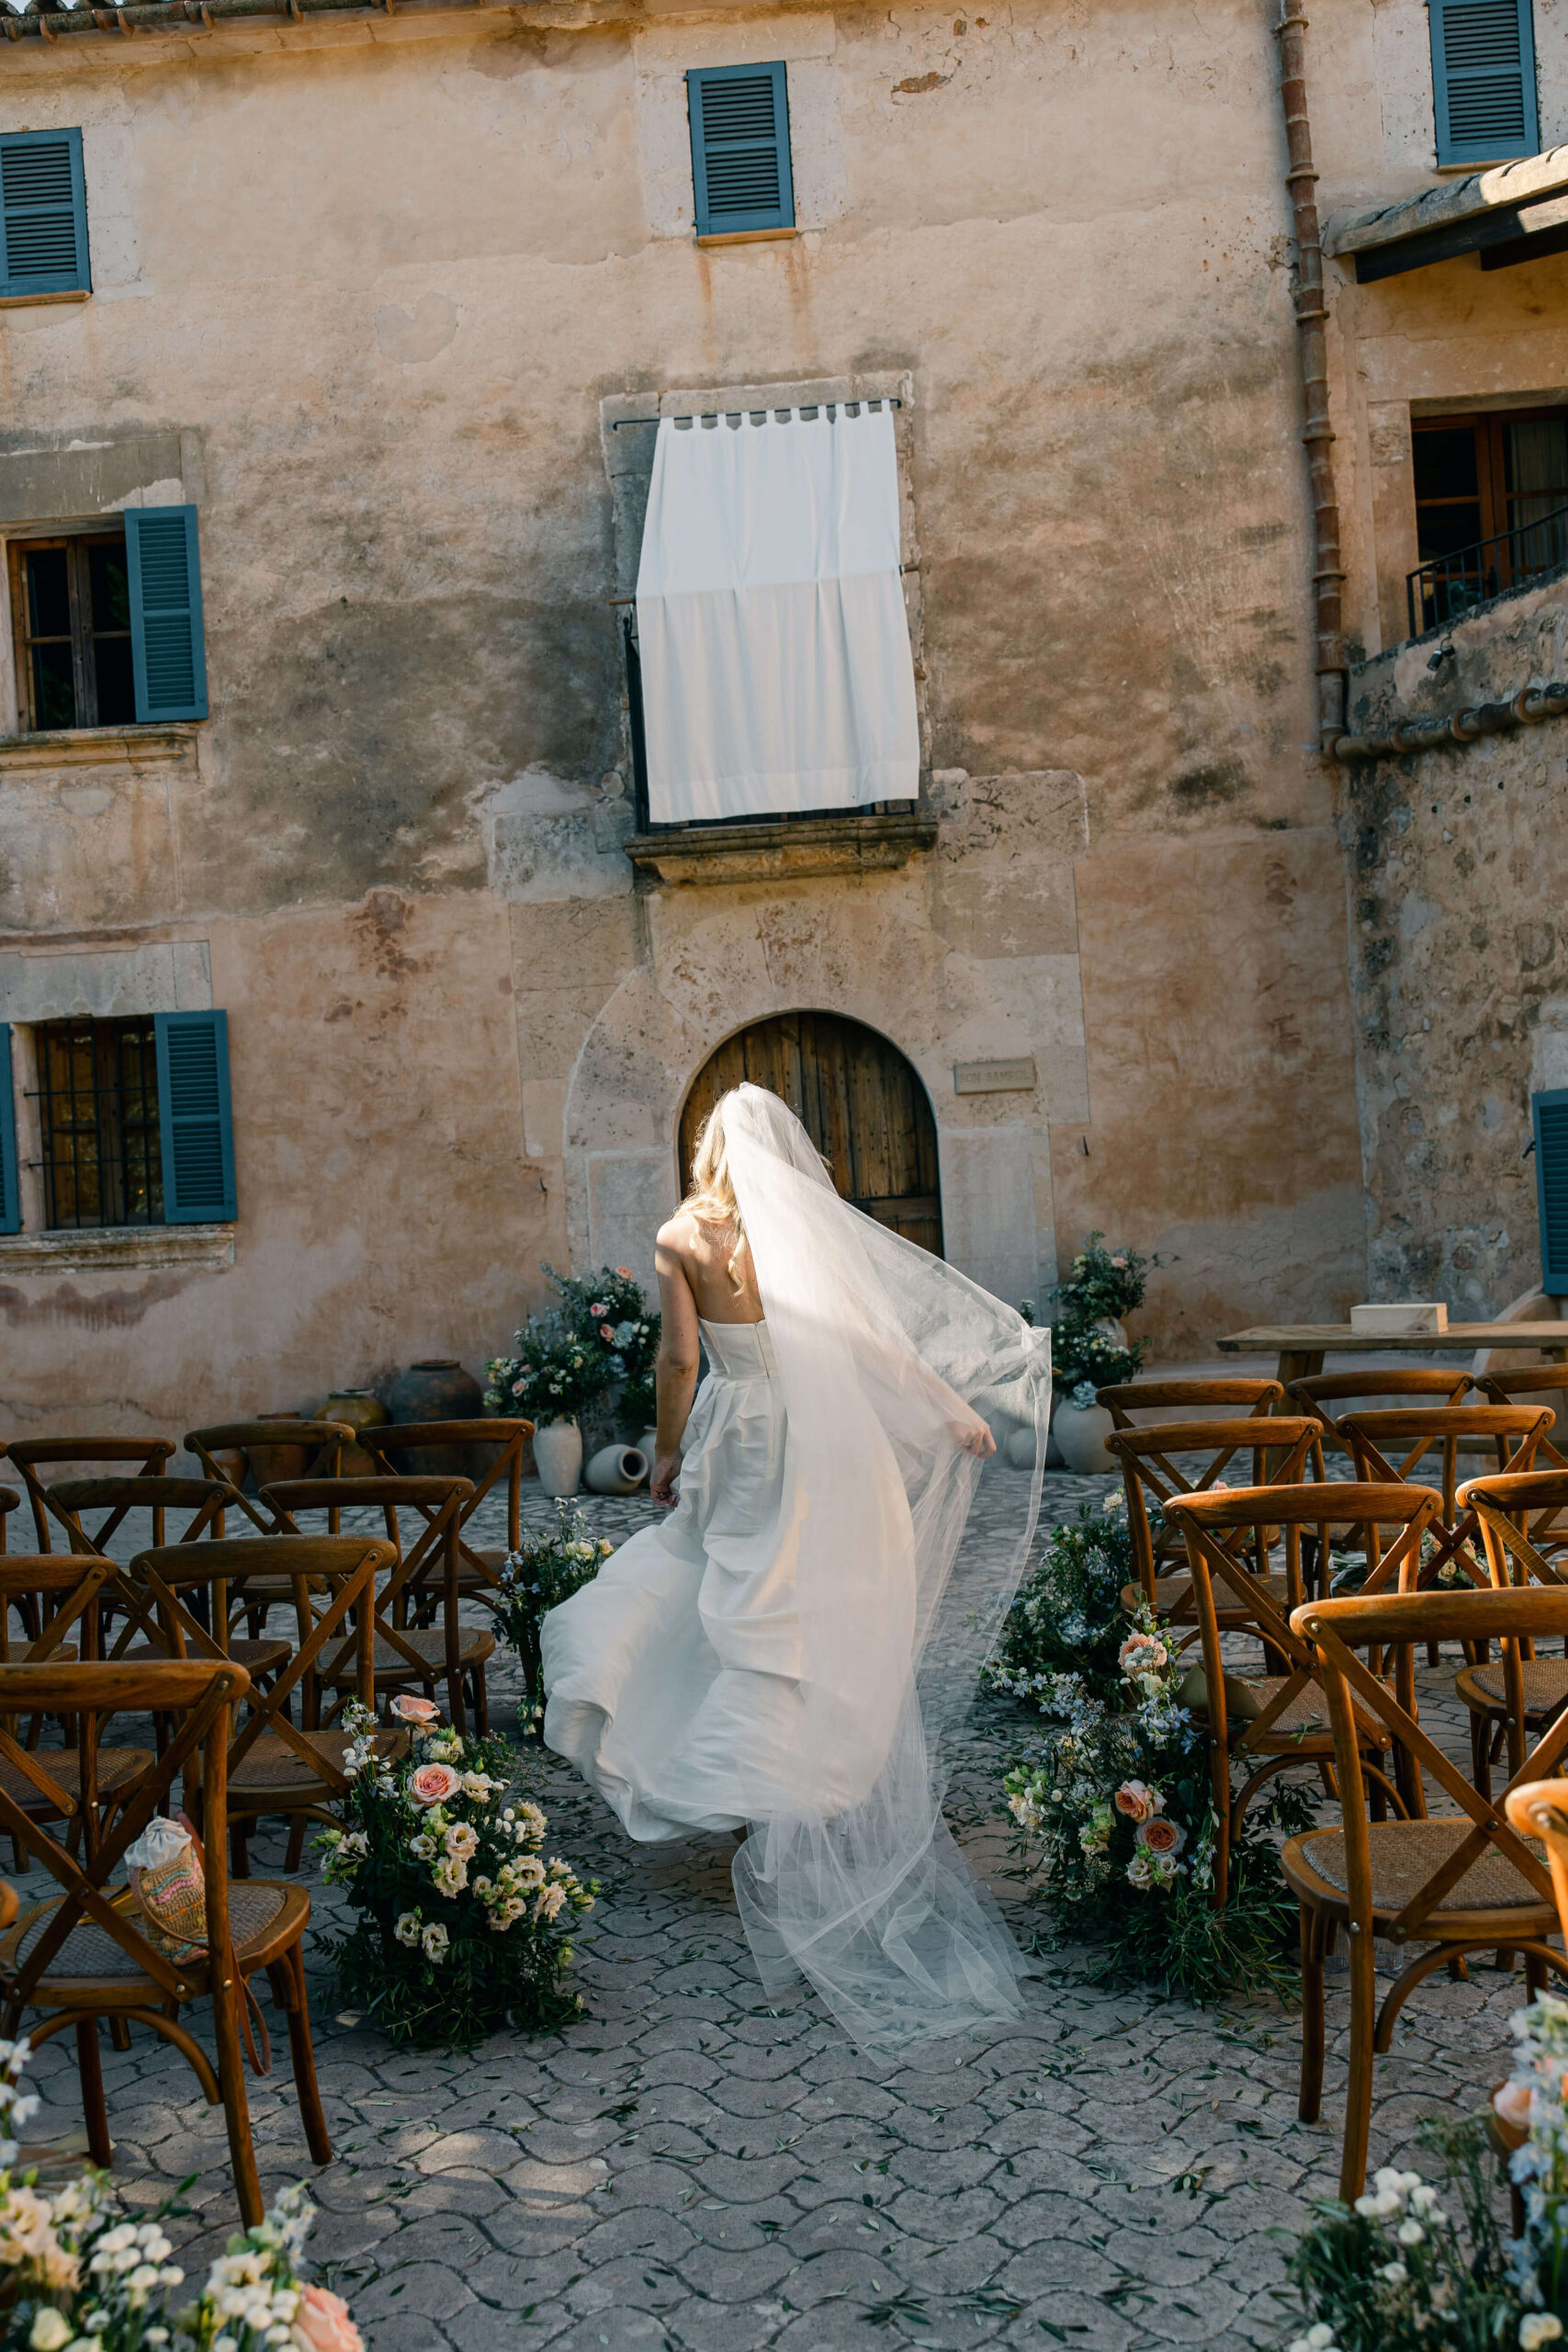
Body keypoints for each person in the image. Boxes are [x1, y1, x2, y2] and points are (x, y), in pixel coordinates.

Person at [542, 1081, 1050, 2052]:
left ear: (704, 1150)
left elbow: (680, 1361)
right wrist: (952, 1409)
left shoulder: (680, 1237)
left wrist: (670, 1448)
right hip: (822, 1442)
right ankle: (801, 1785)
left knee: (721, 1600)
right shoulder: (799, 1232)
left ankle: (744, 1788)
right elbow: (867, 1340)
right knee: (811, 1605)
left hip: (739, 1435)